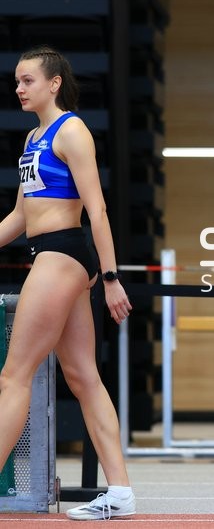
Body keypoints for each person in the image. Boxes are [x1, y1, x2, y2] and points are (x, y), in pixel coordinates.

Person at [0, 46, 135, 520]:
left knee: (14, 376)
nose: (19, 88)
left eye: (28, 80)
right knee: (82, 376)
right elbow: (19, 215)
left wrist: (112, 276)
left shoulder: (70, 129)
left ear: (54, 83)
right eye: (17, 81)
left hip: (63, 254)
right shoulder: (33, 137)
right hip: (53, 254)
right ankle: (120, 493)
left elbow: (96, 208)